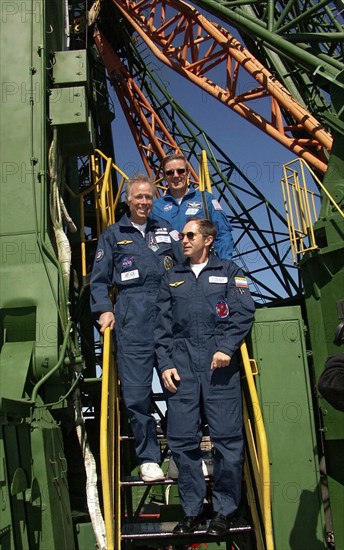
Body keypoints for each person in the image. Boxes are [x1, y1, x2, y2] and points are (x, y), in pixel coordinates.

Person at [154, 218, 255, 536]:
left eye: (189, 235)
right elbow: (161, 327)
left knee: (227, 441)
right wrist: (165, 364)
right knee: (183, 443)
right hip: (182, 370)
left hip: (219, 370)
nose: (182, 239)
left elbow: (244, 312)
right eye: (182, 235)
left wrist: (227, 347)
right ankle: (191, 512)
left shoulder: (229, 272)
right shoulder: (171, 278)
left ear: (208, 240)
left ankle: (224, 511)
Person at [90, 174, 182, 482]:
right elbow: (100, 280)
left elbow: (184, 268)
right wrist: (104, 310)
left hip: (170, 313)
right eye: (138, 197)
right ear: (128, 200)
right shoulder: (113, 235)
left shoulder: (167, 232)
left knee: (179, 386)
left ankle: (182, 453)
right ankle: (148, 458)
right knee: (137, 393)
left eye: (148, 197)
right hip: (133, 316)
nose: (143, 202)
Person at [152, 153, 234, 260]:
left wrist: (225, 265)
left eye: (180, 171)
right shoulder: (155, 207)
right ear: (164, 177)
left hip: (200, 268)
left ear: (188, 173)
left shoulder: (206, 199)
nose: (176, 175)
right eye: (170, 172)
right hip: (169, 271)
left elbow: (223, 234)